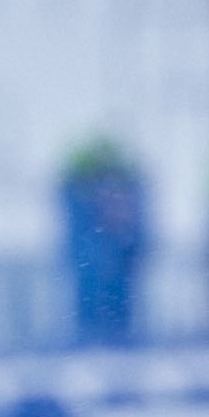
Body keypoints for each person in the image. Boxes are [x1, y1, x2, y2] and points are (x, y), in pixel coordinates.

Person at [59, 137, 148, 347]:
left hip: (108, 248)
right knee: (98, 288)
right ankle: (101, 335)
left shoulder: (99, 240)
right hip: (103, 248)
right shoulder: (92, 240)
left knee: (106, 290)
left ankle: (103, 336)